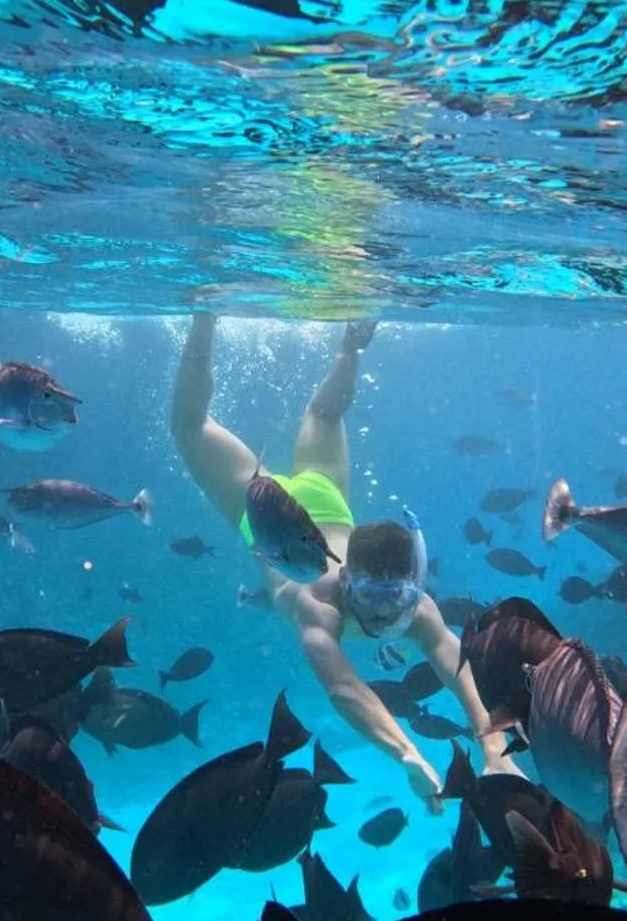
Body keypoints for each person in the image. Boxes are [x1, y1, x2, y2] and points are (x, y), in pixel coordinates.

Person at [171, 314, 502, 806]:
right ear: (347, 581)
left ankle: (351, 342)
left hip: (327, 502)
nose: (386, 613)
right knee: (189, 427)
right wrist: (406, 753)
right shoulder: (317, 601)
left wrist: (492, 747)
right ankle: (204, 316)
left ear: (413, 585)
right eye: (370, 596)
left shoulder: (415, 607)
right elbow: (344, 688)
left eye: (397, 597)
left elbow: (460, 670)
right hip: (268, 517)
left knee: (325, 415)